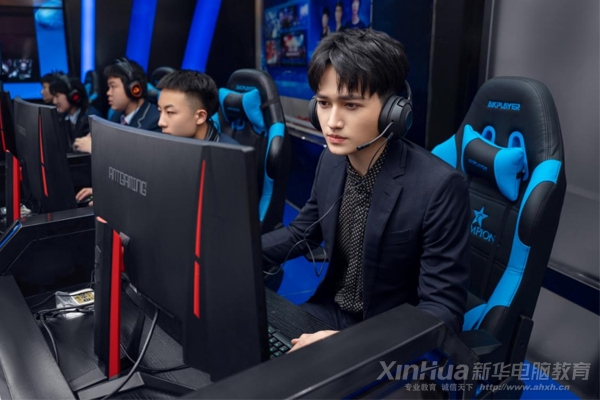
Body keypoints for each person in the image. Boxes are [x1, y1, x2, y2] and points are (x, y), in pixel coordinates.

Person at [261, 29, 470, 352]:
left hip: (390, 336)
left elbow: (443, 310)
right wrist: (235, 252)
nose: (332, 122)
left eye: (351, 105)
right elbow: (301, 234)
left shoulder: (439, 187)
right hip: (329, 311)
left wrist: (352, 343)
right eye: (324, 103)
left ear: (393, 111)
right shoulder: (331, 162)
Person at [155, 69, 237, 144]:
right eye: (160, 111)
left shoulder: (228, 152)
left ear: (200, 116)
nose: (160, 123)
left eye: (170, 112)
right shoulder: (158, 143)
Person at [104, 58, 160, 131]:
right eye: (109, 87)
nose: (108, 93)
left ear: (134, 89)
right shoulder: (116, 116)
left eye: (113, 86)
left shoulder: (154, 122)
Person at [49, 74, 102, 149]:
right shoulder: (62, 118)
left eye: (57, 96)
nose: (54, 101)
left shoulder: (91, 119)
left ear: (72, 95)